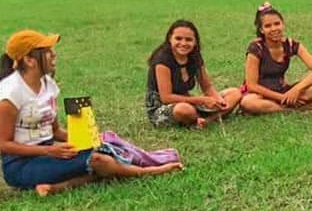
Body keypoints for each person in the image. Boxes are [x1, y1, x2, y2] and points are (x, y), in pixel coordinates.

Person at [1, 30, 182, 196]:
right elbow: (4, 144)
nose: (53, 54)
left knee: (106, 144)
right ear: (29, 60)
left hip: (49, 153)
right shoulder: (10, 94)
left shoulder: (48, 84)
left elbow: (55, 131)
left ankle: (57, 187)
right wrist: (49, 150)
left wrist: (89, 138)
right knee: (97, 160)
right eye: (47, 51)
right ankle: (147, 172)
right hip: (20, 165)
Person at [146, 20, 240, 128]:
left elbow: (207, 87)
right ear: (169, 39)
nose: (183, 43)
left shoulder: (194, 57)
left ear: (195, 42)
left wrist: (218, 101)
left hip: (188, 101)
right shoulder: (162, 60)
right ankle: (203, 119)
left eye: (189, 40)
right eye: (178, 38)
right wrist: (201, 100)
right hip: (165, 107)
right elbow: (166, 98)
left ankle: (206, 121)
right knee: (184, 110)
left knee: (234, 93)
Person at [238, 3, 312, 114]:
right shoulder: (256, 48)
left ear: (283, 24)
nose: (274, 29)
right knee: (248, 102)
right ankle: (288, 109)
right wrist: (282, 98)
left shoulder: (291, 44)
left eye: (277, 24)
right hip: (261, 94)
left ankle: (280, 106)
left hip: (283, 89)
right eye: (268, 26)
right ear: (261, 30)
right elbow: (252, 85)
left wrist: (296, 90)